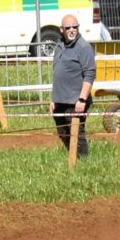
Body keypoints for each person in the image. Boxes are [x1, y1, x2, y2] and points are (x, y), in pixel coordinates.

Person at [51, 13, 96, 157]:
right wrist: (53, 99)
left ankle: (84, 162)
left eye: (74, 27)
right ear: (61, 30)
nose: (72, 30)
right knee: (63, 133)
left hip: (75, 101)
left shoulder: (84, 47)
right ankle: (73, 159)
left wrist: (82, 99)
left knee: (77, 135)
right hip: (59, 101)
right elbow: (57, 74)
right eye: (68, 27)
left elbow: (89, 74)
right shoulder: (59, 46)